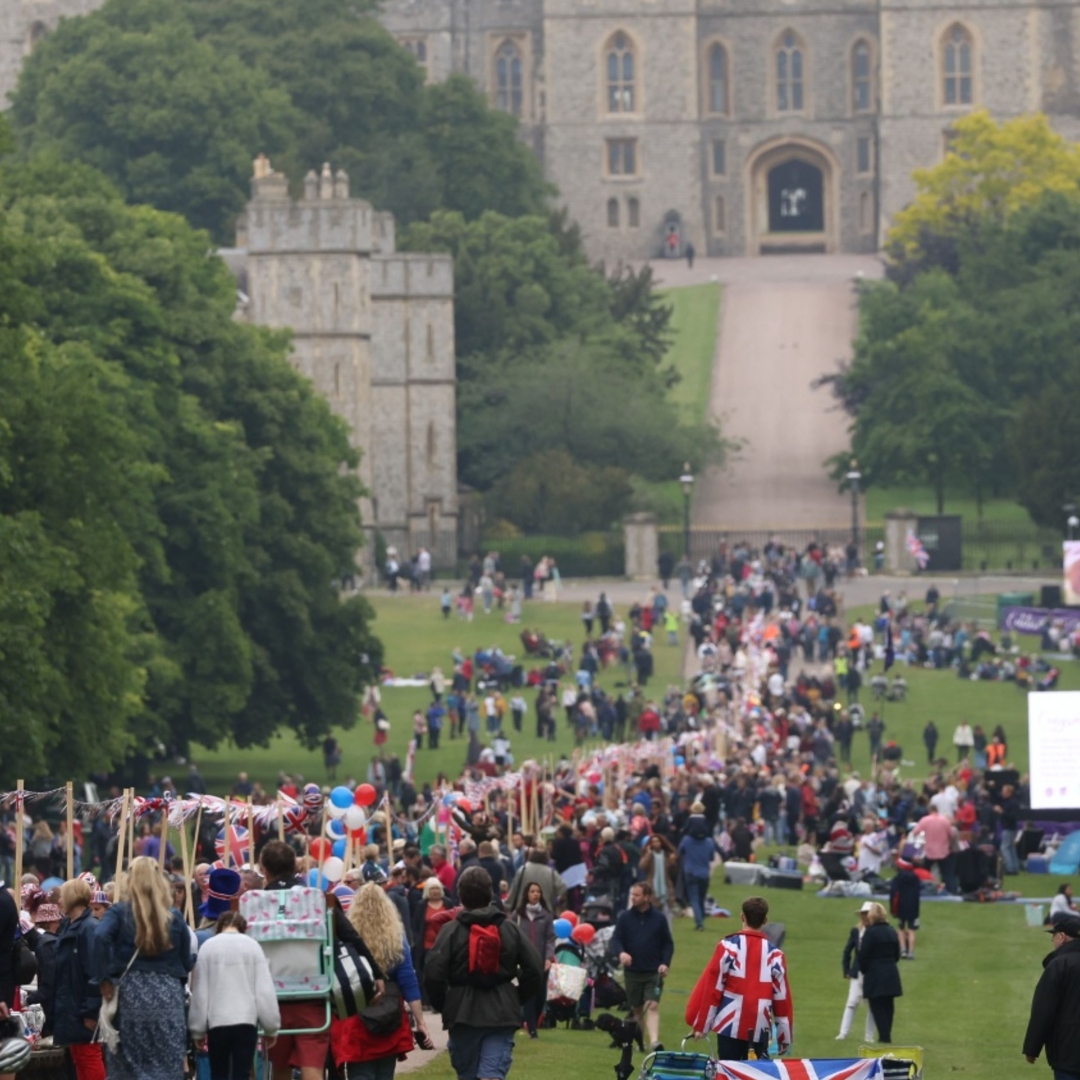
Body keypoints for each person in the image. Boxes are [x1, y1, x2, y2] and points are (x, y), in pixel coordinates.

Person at [259, 840, 384, 1080]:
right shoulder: (316, 899)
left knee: (280, 1069)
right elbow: (351, 936)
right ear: (296, 867)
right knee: (313, 1069)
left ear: (264, 869)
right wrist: (376, 973)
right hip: (314, 991)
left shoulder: (254, 903)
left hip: (272, 996)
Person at [424, 867, 543, 1080]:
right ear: (491, 894)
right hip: (501, 1011)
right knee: (491, 1075)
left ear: (460, 895)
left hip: (462, 1013)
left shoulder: (450, 931)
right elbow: (534, 968)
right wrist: (517, 997)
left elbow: (433, 974)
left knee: (468, 1074)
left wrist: (444, 1004)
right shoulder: (509, 929)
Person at [93, 856, 195, 1080]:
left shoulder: (120, 913)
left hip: (133, 993)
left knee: (130, 1064)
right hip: (168, 995)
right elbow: (186, 961)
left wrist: (105, 978)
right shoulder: (174, 917)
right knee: (166, 1061)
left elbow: (99, 937)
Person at [331, 883, 433, 1080]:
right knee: (385, 1073)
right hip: (389, 1015)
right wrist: (420, 1022)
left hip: (356, 1013)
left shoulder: (347, 937)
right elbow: (408, 981)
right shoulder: (395, 938)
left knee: (360, 1072)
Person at [686, 896, 793, 1061]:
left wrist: (702, 1025)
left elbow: (713, 989)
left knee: (729, 1074)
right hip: (760, 1026)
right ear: (765, 921)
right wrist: (784, 1036)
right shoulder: (776, 955)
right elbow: (781, 999)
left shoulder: (727, 947)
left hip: (729, 1026)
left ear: (742, 917)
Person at [189, 911, 280, 1080]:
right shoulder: (253, 946)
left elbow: (200, 993)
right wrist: (271, 1026)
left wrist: (198, 1030)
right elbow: (264, 991)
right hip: (246, 1022)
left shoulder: (208, 947)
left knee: (219, 1074)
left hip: (217, 1023)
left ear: (219, 926)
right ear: (243, 927)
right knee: (242, 1074)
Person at [611, 881, 674, 1052]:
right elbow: (616, 940)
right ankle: (640, 1042)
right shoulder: (624, 917)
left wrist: (665, 963)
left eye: (637, 895)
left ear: (647, 897)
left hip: (653, 972)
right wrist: (621, 953)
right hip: (632, 972)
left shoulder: (659, 919)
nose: (633, 898)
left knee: (652, 1005)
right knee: (637, 1009)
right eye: (632, 894)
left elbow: (667, 944)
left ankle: (655, 1042)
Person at [51, 878, 104, 1080]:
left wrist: (90, 1010)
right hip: (71, 1004)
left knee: (89, 1055)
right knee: (79, 1057)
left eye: (62, 896)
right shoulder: (69, 927)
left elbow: (94, 971)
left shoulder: (88, 929)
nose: (59, 901)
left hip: (81, 1006)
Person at [1023, 913, 1080, 1076]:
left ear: (1062, 937)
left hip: (1069, 1051)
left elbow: (1044, 1009)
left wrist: (1032, 1048)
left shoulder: (1059, 965)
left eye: (1053, 936)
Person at [510, 883, 555, 1039]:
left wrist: (549, 957)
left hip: (542, 961)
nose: (536, 894)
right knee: (529, 995)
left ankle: (530, 1021)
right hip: (524, 961)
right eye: (532, 891)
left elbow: (550, 939)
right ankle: (532, 1029)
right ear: (526, 894)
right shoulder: (518, 915)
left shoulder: (546, 915)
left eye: (538, 891)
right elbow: (512, 935)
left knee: (540, 996)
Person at [857, 902, 902, 1044]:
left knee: (876, 1005)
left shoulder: (870, 932)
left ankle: (884, 1036)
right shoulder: (891, 931)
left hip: (875, 971)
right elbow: (897, 954)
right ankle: (887, 1032)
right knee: (888, 1004)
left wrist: (864, 969)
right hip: (890, 970)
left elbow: (863, 955)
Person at [836, 903, 876, 1043]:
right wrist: (846, 970)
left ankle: (869, 1036)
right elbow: (847, 951)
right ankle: (843, 1033)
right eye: (863, 914)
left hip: (872, 973)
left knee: (872, 1005)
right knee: (851, 1002)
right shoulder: (856, 931)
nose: (865, 917)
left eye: (868, 914)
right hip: (857, 972)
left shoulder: (877, 932)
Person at [677, 813, 720, 931]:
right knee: (701, 898)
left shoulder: (686, 840)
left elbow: (680, 852)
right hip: (704, 873)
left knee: (694, 898)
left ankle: (699, 922)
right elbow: (712, 858)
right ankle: (701, 919)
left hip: (690, 872)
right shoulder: (709, 842)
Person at [890, 858, 921, 960]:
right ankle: (911, 952)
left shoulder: (898, 878)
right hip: (913, 906)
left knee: (901, 928)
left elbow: (893, 894)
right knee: (912, 929)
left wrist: (892, 909)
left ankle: (903, 950)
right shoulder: (916, 877)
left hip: (901, 906)